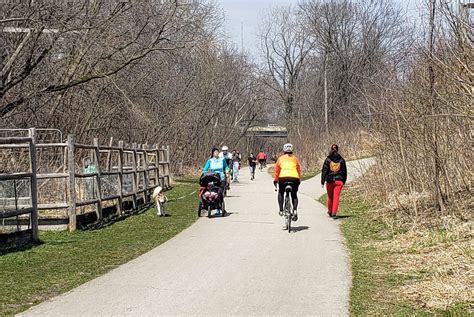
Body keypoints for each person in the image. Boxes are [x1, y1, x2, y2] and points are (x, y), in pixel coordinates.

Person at [273, 143, 301, 221]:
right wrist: (299, 179)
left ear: (284, 150)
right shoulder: (295, 159)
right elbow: (298, 170)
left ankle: (281, 210)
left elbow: (277, 171)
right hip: (294, 178)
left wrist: (275, 180)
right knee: (294, 194)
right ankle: (295, 210)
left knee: (281, 192)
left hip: (283, 178)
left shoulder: (280, 158)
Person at [321, 144, 347, 218]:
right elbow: (344, 171)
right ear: (337, 150)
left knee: (330, 197)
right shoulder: (342, 159)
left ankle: (330, 211)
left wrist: (322, 181)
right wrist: (343, 181)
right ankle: (334, 213)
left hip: (329, 181)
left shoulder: (328, 159)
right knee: (336, 197)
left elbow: (324, 171)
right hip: (339, 181)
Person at [203, 147, 229, 215]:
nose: (216, 153)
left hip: (221, 178)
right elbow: (205, 169)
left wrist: (227, 171)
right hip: (213, 178)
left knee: (220, 193)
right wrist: (205, 175)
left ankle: (219, 207)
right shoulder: (210, 161)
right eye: (215, 152)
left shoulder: (222, 159)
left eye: (217, 152)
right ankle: (216, 208)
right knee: (214, 193)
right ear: (212, 153)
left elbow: (226, 167)